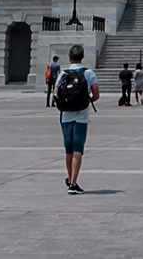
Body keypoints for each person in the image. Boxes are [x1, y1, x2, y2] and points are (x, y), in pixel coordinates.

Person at [54, 43, 100, 194]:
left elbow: (55, 94)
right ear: (83, 57)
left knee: (68, 149)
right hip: (81, 115)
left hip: (66, 115)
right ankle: (74, 182)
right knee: (78, 148)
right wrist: (87, 101)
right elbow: (96, 95)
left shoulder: (63, 74)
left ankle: (69, 178)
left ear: (69, 57)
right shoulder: (89, 73)